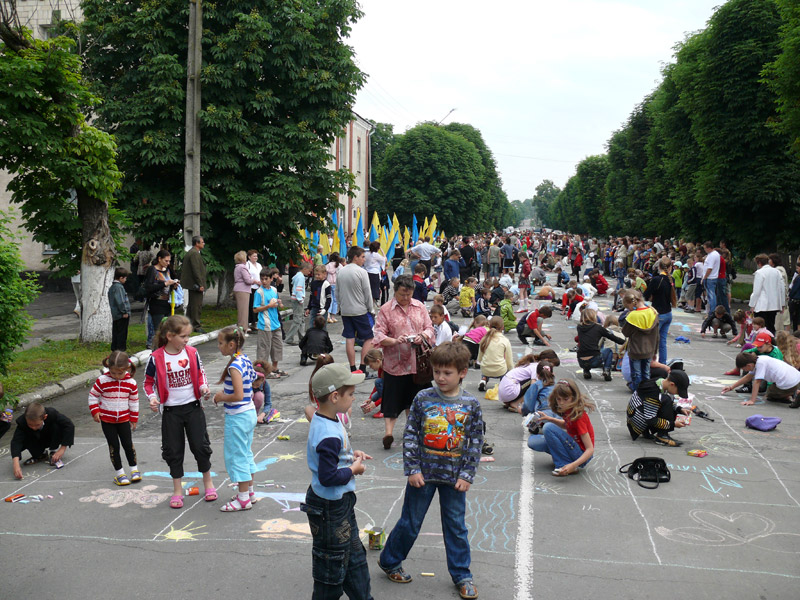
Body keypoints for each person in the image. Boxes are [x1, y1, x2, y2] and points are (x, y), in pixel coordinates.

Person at [378, 342, 483, 600]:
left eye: (447, 373)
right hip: (422, 476)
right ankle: (390, 560)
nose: (440, 378)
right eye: (437, 372)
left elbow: (476, 441)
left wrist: (467, 474)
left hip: (454, 478)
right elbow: (411, 434)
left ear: (462, 373)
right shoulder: (423, 398)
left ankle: (462, 575)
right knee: (410, 522)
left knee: (456, 526)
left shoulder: (470, 404)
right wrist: (412, 468)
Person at [302, 363, 372, 600]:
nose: (354, 398)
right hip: (329, 509)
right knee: (331, 570)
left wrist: (350, 457)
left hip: (339, 505)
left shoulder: (327, 420)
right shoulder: (328, 433)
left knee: (355, 560)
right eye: (350, 394)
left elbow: (331, 458)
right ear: (334, 396)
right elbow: (329, 476)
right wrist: (353, 469)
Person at [144, 315, 217, 508]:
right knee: (173, 450)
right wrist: (152, 398)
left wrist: (203, 388)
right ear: (169, 336)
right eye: (183, 336)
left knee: (201, 446)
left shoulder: (192, 353)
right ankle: (177, 489)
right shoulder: (156, 357)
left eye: (188, 336)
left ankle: (208, 482)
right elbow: (148, 383)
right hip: (170, 411)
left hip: (193, 408)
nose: (187, 340)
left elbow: (201, 374)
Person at [372, 274, 435, 449]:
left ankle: (411, 432)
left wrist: (422, 336)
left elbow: (430, 328)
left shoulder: (420, 306)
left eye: (408, 295)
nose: (406, 298)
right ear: (395, 292)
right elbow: (378, 334)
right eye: (402, 295)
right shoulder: (386, 309)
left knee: (414, 399)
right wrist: (394, 340)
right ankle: (388, 434)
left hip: (417, 363)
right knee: (392, 399)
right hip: (395, 363)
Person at [212, 326, 258, 512]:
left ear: (231, 344)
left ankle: (243, 499)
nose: (219, 346)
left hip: (238, 416)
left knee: (237, 456)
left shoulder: (234, 366)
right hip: (249, 413)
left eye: (221, 343)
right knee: (245, 453)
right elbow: (254, 379)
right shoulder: (244, 359)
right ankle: (250, 492)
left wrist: (221, 396)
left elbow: (238, 395)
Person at [88, 350, 140, 486]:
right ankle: (120, 473)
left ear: (127, 369)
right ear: (108, 368)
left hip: (123, 419)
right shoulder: (103, 380)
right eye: (113, 373)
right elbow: (93, 395)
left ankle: (134, 470)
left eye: (120, 373)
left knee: (128, 444)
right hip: (107, 420)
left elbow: (134, 401)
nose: (116, 376)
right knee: (114, 446)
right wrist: (95, 411)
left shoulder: (131, 383)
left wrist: (133, 418)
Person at [527, 379, 595, 476]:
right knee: (533, 441)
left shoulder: (579, 418)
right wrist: (549, 418)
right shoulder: (568, 410)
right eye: (559, 399)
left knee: (548, 427)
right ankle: (565, 460)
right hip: (573, 447)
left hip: (581, 453)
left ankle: (564, 464)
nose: (561, 403)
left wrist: (573, 465)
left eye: (565, 399)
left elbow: (590, 449)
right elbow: (567, 425)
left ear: (573, 397)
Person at [338, 246, 377, 375]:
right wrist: (371, 309)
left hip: (345, 310)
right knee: (368, 337)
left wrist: (341, 306)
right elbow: (367, 292)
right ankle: (363, 367)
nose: (364, 260)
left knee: (349, 337)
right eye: (362, 257)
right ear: (355, 257)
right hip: (360, 310)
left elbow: (337, 292)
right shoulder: (361, 272)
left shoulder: (341, 271)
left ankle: (352, 368)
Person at [626, 370, 692, 447]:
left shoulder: (660, 382)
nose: (678, 394)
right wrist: (672, 424)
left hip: (639, 415)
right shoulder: (653, 393)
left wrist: (679, 409)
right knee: (666, 400)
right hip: (637, 423)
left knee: (667, 400)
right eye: (678, 391)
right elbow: (650, 419)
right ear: (672, 384)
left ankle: (652, 432)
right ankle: (662, 436)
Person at [11, 402, 74, 479]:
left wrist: (62, 448)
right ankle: (40, 455)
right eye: (30, 425)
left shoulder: (52, 413)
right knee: (23, 435)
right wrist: (16, 464)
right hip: (35, 439)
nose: (33, 427)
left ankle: (53, 451)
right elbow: (16, 441)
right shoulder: (22, 422)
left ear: (45, 417)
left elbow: (69, 425)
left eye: (37, 425)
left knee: (57, 425)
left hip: (50, 436)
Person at [723, 353, 800, 408]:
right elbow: (747, 377)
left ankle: (793, 394)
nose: (744, 370)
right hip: (796, 377)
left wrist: (752, 400)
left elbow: (757, 382)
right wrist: (731, 387)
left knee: (770, 394)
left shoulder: (760, 364)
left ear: (749, 365)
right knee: (771, 391)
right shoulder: (759, 359)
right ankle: (793, 392)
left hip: (789, 383)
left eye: (744, 369)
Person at [621, 291, 659, 392]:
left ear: (631, 304)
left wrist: (629, 314)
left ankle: (638, 393)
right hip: (649, 349)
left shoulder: (633, 316)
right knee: (646, 373)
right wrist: (655, 351)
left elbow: (625, 332)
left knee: (636, 374)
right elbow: (656, 335)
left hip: (636, 350)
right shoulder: (652, 312)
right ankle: (646, 392)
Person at [253, 268, 286, 378]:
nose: (264, 281)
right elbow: (255, 309)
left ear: (271, 279)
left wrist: (279, 303)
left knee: (277, 347)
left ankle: (274, 368)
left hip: (275, 322)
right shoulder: (259, 292)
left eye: (266, 279)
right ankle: (263, 371)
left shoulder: (274, 290)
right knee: (264, 348)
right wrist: (268, 306)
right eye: (262, 279)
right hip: (265, 324)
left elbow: (275, 301)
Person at [577, 308, 626, 381]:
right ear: (594, 316)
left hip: (581, 361)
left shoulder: (579, 327)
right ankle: (607, 371)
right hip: (594, 360)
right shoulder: (598, 328)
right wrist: (624, 341)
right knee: (608, 350)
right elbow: (613, 337)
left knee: (587, 350)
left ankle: (586, 371)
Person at [644, 257, 676, 363]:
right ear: (670, 267)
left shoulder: (657, 280)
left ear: (659, 267)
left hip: (658, 313)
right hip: (668, 313)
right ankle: (662, 363)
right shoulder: (671, 280)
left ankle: (649, 362)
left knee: (652, 340)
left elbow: (646, 294)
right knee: (662, 341)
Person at [144, 249, 179, 343]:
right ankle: (155, 347)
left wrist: (173, 286)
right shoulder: (153, 270)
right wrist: (165, 284)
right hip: (156, 303)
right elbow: (148, 287)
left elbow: (167, 287)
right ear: (159, 259)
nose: (168, 263)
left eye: (169, 261)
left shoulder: (167, 270)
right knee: (158, 329)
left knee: (167, 328)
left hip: (167, 303)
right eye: (166, 261)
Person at [749, 253, 786, 335]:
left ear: (759, 263)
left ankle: (762, 342)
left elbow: (756, 291)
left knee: (761, 327)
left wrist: (752, 304)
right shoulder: (777, 272)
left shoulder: (759, 273)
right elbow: (782, 289)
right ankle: (771, 342)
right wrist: (782, 304)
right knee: (771, 325)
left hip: (762, 305)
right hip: (774, 304)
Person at [477, 316, 513, 392]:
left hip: (485, 369)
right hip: (500, 370)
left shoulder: (484, 339)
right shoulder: (504, 340)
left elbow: (480, 358)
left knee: (486, 365)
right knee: (505, 371)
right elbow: (509, 361)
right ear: (502, 327)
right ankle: (503, 382)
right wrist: (512, 371)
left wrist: (480, 362)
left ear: (489, 326)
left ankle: (483, 379)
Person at [180, 235, 207, 332]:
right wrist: (200, 284)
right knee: (196, 305)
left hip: (192, 284)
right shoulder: (194, 254)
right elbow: (196, 270)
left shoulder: (193, 252)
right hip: (195, 285)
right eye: (202, 242)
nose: (204, 243)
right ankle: (196, 325)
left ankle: (188, 324)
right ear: (197, 243)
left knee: (192, 305)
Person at [286, 261, 312, 345]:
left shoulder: (297, 276)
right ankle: (289, 338)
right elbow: (298, 289)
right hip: (298, 300)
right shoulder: (301, 277)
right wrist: (300, 300)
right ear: (304, 269)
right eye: (309, 271)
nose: (309, 273)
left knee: (301, 319)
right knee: (298, 320)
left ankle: (302, 337)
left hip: (295, 299)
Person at [108, 267, 131, 352]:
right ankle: (121, 350)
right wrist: (125, 311)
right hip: (121, 315)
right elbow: (121, 301)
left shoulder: (112, 287)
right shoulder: (119, 287)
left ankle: (115, 349)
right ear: (121, 278)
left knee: (116, 332)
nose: (126, 280)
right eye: (125, 278)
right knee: (122, 333)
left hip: (115, 315)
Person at [233, 250, 257, 333]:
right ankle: (243, 328)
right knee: (244, 310)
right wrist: (255, 281)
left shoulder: (237, 267)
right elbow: (247, 280)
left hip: (239, 289)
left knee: (242, 310)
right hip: (243, 289)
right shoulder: (242, 267)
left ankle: (242, 326)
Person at [360, 348, 385, 419]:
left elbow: (389, 392)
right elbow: (377, 386)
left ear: (377, 361)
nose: (371, 368)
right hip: (388, 390)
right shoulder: (380, 368)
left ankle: (385, 409)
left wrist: (375, 404)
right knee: (374, 397)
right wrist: (370, 399)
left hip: (394, 392)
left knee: (378, 381)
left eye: (371, 365)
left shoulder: (387, 370)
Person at [306, 264, 332, 329]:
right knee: (312, 325)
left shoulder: (326, 284)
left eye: (318, 274)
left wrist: (325, 309)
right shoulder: (314, 283)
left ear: (324, 274)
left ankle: (323, 338)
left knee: (322, 327)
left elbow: (329, 299)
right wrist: (309, 308)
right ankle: (312, 337)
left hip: (322, 308)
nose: (317, 276)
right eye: (316, 274)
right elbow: (311, 296)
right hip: (314, 307)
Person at [246, 250, 263, 332]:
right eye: (254, 256)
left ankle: (255, 322)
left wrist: (262, 282)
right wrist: (256, 281)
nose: (256, 258)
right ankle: (249, 323)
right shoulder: (247, 264)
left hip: (259, 287)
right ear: (249, 257)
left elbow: (262, 274)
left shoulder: (259, 265)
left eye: (256, 256)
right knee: (251, 305)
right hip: (251, 287)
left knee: (257, 305)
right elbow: (247, 276)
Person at [326, 253, 341, 324]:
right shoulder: (339, 265)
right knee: (335, 300)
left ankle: (328, 316)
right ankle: (333, 317)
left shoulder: (328, 265)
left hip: (328, 283)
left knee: (329, 299)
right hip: (336, 284)